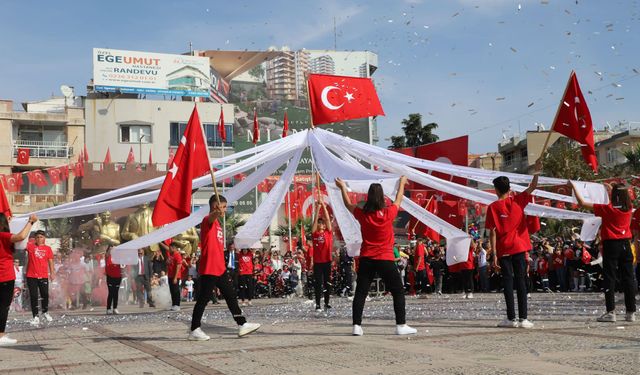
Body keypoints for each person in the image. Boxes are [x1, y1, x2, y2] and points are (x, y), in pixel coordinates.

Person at [336, 176, 417, 336]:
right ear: (381, 197)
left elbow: (347, 204)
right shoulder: (388, 213)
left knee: (361, 292)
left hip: (367, 258)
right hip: (385, 258)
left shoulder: (363, 214)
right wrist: (401, 183)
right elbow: (399, 199)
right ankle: (401, 325)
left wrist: (342, 188)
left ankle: (356, 326)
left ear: (369, 197)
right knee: (398, 291)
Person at [188, 195, 260, 341]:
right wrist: (216, 212)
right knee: (203, 298)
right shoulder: (207, 221)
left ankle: (242, 324)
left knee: (230, 295)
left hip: (219, 267)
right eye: (223, 207)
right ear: (216, 206)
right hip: (210, 266)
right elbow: (211, 217)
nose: (225, 210)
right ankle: (194, 329)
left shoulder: (218, 225)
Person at [485, 158, 541, 329]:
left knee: (508, 283)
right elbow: (532, 187)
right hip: (520, 247)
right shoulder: (518, 201)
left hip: (504, 250)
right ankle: (524, 319)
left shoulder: (493, 207)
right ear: (509, 189)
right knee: (522, 282)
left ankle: (511, 319)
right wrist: (537, 171)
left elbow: (492, 232)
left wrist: (493, 254)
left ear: (495, 190)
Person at [571, 182, 637, 322]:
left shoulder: (607, 209)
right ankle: (631, 312)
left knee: (610, 277)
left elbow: (583, 203)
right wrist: (610, 190)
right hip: (626, 244)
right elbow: (621, 198)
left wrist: (574, 187)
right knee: (628, 278)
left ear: (613, 195)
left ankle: (611, 312)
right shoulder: (629, 208)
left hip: (611, 245)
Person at [1, 213, 38, 346]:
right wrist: (30, 222)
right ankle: (0, 335)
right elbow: (21, 237)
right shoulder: (3, 235)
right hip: (4, 275)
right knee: (3, 306)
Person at [24, 230, 55, 326]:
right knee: (33, 296)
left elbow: (50, 261)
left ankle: (45, 312)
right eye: (37, 237)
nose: (39, 239)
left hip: (43, 275)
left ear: (44, 238)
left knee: (45, 294)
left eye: (41, 237)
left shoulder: (48, 249)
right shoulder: (30, 246)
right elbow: (21, 241)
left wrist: (52, 273)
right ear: (35, 239)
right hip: (31, 275)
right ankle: (35, 316)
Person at [311, 198, 333, 312]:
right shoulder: (314, 234)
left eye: (322, 223)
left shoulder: (328, 233)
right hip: (318, 263)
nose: (321, 224)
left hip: (327, 261)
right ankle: (318, 304)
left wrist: (323, 206)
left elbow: (328, 220)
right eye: (319, 223)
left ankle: (327, 303)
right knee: (318, 284)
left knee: (327, 283)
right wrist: (318, 208)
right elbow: (314, 224)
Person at [105, 247, 122, 314]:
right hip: (110, 277)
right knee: (111, 292)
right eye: (111, 249)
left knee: (116, 293)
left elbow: (123, 264)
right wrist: (111, 250)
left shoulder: (118, 257)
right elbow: (107, 254)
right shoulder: (107, 256)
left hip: (118, 277)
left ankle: (115, 308)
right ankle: (108, 308)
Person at [167, 242, 183, 311]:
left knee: (176, 291)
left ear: (174, 248)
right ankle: (174, 304)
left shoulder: (177, 255)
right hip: (170, 275)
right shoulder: (171, 255)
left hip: (175, 276)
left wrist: (175, 277)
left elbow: (178, 266)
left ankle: (177, 305)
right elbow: (169, 263)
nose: (169, 249)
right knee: (172, 291)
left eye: (170, 248)